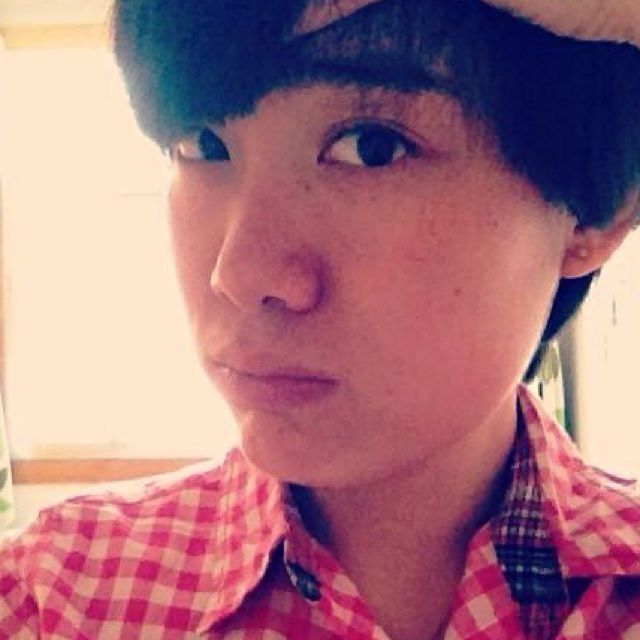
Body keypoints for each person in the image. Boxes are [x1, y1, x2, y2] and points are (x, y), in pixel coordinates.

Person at [2, 0, 640, 638]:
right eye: (202, 144)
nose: (239, 274)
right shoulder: (55, 597)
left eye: (372, 148)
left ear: (595, 217)